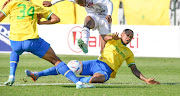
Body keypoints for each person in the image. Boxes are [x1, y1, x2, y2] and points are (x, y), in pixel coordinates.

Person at [0, 0, 95, 89]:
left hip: (15, 42)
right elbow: (56, 19)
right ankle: (78, 83)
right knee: (56, 60)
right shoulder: (34, 6)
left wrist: (4, 8)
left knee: (15, 51)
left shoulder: (11, 4)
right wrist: (41, 22)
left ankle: (11, 76)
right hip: (31, 40)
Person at [25, 29, 160, 84]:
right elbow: (103, 37)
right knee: (72, 66)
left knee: (98, 78)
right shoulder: (114, 39)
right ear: (122, 34)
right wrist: (110, 37)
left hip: (106, 71)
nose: (129, 38)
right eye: (127, 36)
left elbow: (134, 70)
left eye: (131, 37)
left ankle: (77, 81)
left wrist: (146, 79)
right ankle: (37, 74)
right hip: (96, 63)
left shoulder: (129, 53)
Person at [43, 0, 113, 54]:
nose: (80, 5)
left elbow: (109, 3)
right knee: (87, 21)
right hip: (92, 14)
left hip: (104, 16)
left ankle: (102, 62)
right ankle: (85, 43)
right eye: (78, 3)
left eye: (81, 2)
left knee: (103, 48)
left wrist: (109, 14)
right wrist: (52, 3)